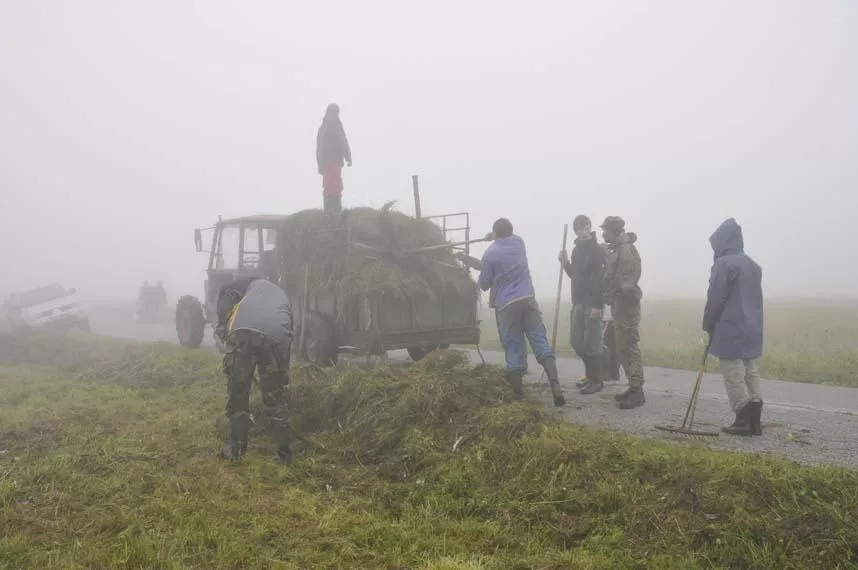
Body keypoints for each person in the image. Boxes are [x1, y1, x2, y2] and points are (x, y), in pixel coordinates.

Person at [458, 218, 565, 406]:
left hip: (507, 305)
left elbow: (484, 283)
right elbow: (500, 247)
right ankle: (556, 387)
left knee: (513, 346)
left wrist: (472, 261)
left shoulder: (490, 254)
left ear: (495, 232)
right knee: (540, 342)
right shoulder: (518, 242)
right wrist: (492, 239)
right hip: (528, 299)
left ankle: (519, 398)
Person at [214, 273, 294, 463]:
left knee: (239, 395)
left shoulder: (245, 283)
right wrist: (282, 374)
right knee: (275, 401)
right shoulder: (281, 295)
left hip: (243, 334)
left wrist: (221, 326)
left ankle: (236, 452)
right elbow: (288, 335)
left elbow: (225, 295)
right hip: (277, 337)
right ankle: (285, 456)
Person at [702, 218, 764, 436]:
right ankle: (755, 421)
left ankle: (742, 419)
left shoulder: (724, 264)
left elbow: (716, 298)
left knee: (733, 372)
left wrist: (708, 324)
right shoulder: (752, 265)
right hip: (752, 327)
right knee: (750, 370)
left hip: (730, 327)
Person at [601, 216, 645, 409]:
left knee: (629, 346)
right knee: (623, 346)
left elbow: (629, 278)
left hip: (626, 304)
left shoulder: (625, 250)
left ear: (614, 230)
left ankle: (637, 391)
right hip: (620, 304)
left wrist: (615, 291)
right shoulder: (618, 248)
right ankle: (633, 386)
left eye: (606, 230)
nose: (603, 234)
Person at [558, 215, 606, 395]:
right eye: (580, 228)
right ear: (576, 230)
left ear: (590, 228)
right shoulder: (576, 250)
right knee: (577, 342)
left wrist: (597, 305)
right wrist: (564, 263)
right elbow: (574, 275)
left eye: (586, 227)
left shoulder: (597, 250)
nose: (584, 230)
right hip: (577, 301)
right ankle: (589, 375)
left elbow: (601, 280)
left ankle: (596, 380)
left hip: (592, 302)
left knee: (592, 343)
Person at [316, 103, 352, 215]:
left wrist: (320, 164)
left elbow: (319, 147)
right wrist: (348, 156)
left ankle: (328, 211)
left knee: (328, 186)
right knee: (335, 186)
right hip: (334, 160)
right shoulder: (335, 124)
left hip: (325, 163)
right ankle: (335, 211)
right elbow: (342, 140)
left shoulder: (322, 127)